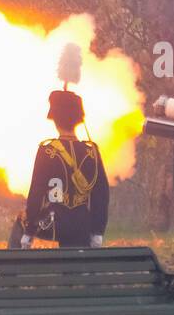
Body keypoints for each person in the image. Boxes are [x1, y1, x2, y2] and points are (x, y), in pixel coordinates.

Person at [13, 44, 110, 249]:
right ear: (77, 120)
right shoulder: (91, 151)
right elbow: (101, 194)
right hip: (83, 226)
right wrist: (97, 231)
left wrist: (30, 231)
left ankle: (11, 275)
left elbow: (37, 193)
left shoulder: (47, 151)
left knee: (20, 221)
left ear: (55, 120)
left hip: (52, 223)